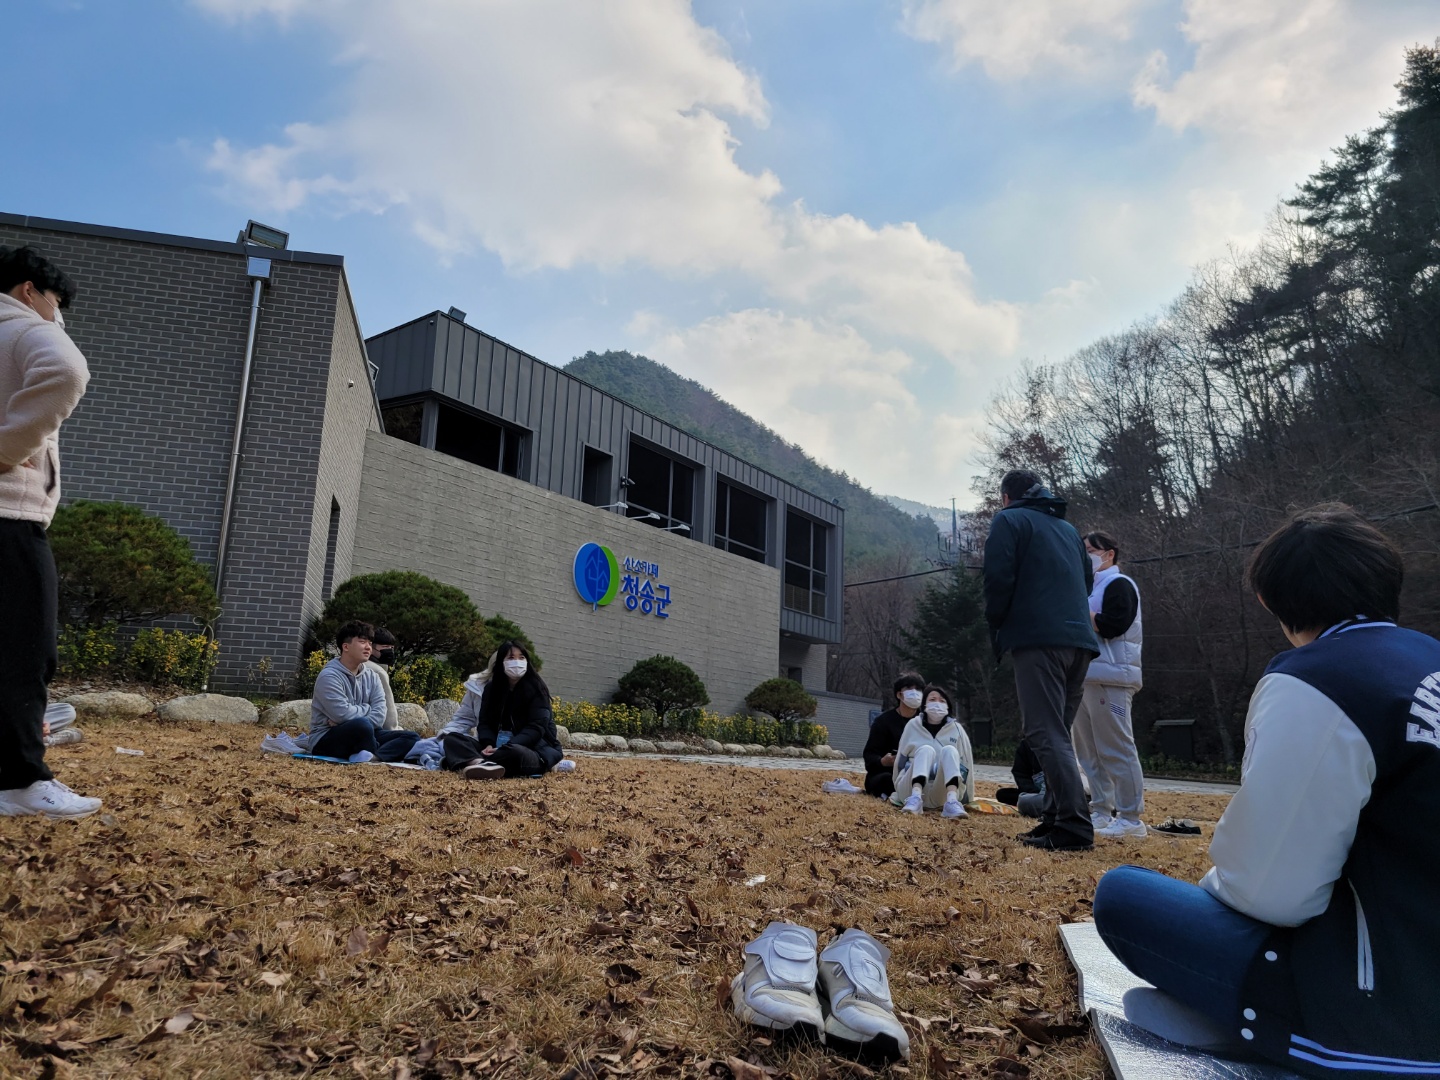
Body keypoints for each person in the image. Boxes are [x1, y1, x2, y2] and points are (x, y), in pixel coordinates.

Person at [1092, 505, 1440, 1077]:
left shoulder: (1320, 680)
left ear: (1271, 600)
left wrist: (1219, 887)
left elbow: (1273, 892)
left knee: (1123, 896)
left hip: (1385, 1008)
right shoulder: (1429, 659)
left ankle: (1265, 1028)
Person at [0, 246, 101, 820]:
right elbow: (67, 371)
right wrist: (9, 448)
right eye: (55, 300)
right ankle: (21, 780)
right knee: (24, 652)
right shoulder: (22, 327)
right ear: (28, 290)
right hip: (10, 517)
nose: (57, 313)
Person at [982, 469, 1099, 851]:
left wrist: (998, 624)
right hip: (1080, 642)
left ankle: (1073, 826)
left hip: (1039, 640)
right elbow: (1086, 583)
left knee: (1043, 732)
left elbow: (998, 579)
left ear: (1006, 497)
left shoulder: (1009, 520)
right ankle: (1054, 817)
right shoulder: (1068, 529)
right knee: (1057, 734)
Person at [1073, 530, 1147, 839]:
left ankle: (1130, 817)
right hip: (1084, 678)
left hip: (1112, 677)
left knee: (1116, 747)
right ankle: (1102, 810)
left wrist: (1080, 613)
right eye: (1084, 550)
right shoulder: (1087, 588)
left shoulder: (1119, 584)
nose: (1087, 555)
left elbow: (1115, 624)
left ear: (1109, 553)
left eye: (1092, 550)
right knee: (1088, 752)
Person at [440, 641, 562, 780]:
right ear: (501, 662)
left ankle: (471, 761)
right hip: (496, 748)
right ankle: (480, 763)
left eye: (521, 657)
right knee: (452, 739)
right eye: (511, 658)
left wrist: (506, 746)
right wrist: (488, 744)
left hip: (530, 749)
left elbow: (536, 728)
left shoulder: (537, 690)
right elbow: (485, 723)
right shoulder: (491, 689)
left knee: (515, 752)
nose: (517, 662)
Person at [309, 621, 416, 763]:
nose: (368, 647)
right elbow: (342, 714)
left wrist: (348, 718)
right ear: (345, 647)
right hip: (327, 737)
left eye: (370, 643)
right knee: (361, 726)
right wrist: (367, 709)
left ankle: (374, 756)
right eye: (362, 642)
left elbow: (379, 717)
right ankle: (377, 750)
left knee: (411, 737)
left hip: (366, 731)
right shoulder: (329, 676)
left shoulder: (373, 676)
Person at [893, 685, 974, 818]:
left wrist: (968, 798)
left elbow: (967, 763)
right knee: (926, 749)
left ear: (947, 706)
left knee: (950, 750)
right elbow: (900, 762)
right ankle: (915, 798)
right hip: (909, 789)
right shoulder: (912, 725)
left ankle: (952, 802)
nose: (937, 703)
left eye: (942, 701)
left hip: (941, 792)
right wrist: (896, 787)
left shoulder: (957, 729)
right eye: (932, 699)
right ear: (924, 704)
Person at [862, 673, 926, 799]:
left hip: (918, 772)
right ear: (899, 695)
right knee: (886, 780)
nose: (914, 692)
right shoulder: (883, 721)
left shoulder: (926, 722)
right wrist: (882, 761)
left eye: (918, 689)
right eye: (909, 688)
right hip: (887, 773)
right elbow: (869, 756)